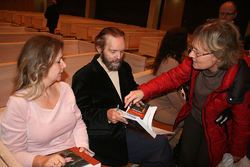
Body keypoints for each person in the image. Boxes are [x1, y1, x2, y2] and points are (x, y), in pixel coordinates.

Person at [125, 19, 249, 167]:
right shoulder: (195, 62)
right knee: (185, 158)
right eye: (192, 49)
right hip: (194, 117)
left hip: (216, 128)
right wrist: (143, 91)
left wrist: (237, 151)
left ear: (219, 56)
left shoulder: (240, 78)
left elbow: (243, 121)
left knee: (206, 160)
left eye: (198, 52)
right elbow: (172, 77)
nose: (191, 56)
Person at [72, 27, 174, 167]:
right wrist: (106, 115)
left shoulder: (124, 67)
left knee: (161, 144)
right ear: (99, 49)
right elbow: (81, 115)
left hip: (128, 125)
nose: (118, 57)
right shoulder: (83, 76)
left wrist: (138, 99)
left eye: (121, 52)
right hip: (105, 134)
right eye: (113, 52)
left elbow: (132, 89)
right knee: (160, 146)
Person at [1, 35, 91, 167]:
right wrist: (41, 161)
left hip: (74, 157)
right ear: (41, 66)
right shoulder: (19, 103)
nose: (64, 65)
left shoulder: (65, 89)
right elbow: (13, 153)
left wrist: (82, 147)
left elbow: (78, 123)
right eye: (59, 61)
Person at [150, 27, 187, 125]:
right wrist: (183, 108)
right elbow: (170, 91)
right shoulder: (171, 62)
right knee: (189, 121)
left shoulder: (168, 58)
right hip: (160, 107)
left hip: (164, 104)